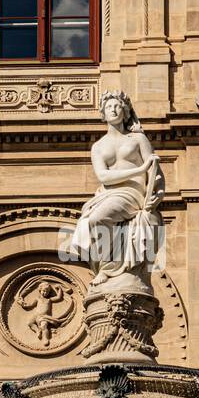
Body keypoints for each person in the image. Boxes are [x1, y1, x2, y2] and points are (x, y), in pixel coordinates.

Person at [68, 91, 164, 287]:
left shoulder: (138, 139)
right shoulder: (99, 146)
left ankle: (107, 268)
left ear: (126, 111)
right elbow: (103, 176)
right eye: (109, 106)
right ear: (103, 113)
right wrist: (139, 169)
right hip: (109, 194)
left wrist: (158, 193)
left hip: (133, 193)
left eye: (117, 106)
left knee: (97, 218)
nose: (113, 109)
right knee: (92, 219)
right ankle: (107, 267)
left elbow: (156, 171)